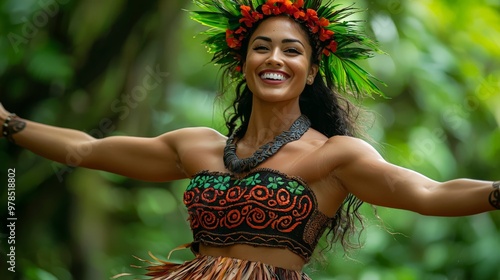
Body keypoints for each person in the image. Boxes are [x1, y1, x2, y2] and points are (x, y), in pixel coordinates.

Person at [1, 0, 499, 279]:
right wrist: (10, 124)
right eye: (261, 47)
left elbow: (429, 193)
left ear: (310, 72)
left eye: (291, 50)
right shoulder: (196, 145)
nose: (275, 58)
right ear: (244, 64)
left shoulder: (334, 155)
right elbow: (83, 149)